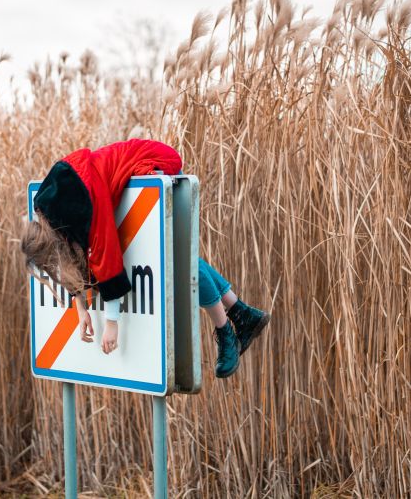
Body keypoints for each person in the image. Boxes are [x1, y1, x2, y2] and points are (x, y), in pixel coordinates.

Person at [21, 138, 270, 378]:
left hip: (153, 166)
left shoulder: (84, 203)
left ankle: (224, 330)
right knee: (181, 257)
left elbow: (107, 259)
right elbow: (69, 257)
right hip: (132, 176)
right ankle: (242, 313)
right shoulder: (52, 210)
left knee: (181, 260)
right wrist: (80, 308)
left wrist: (111, 322)